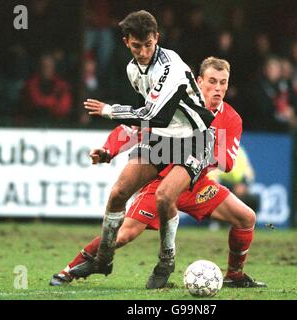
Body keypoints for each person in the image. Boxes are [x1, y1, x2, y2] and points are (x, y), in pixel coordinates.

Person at [50, 57, 266, 289]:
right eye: (212, 81)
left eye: (223, 83)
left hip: (196, 185)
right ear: (198, 81)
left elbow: (227, 164)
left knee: (246, 217)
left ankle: (234, 275)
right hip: (161, 182)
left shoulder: (231, 119)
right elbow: (131, 130)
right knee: (124, 234)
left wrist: (207, 141)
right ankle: (70, 269)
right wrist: (108, 150)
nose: (218, 88)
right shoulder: (175, 104)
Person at [81, 10, 215, 289]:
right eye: (136, 46)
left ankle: (166, 261)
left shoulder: (171, 67)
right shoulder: (133, 69)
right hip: (162, 138)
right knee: (118, 192)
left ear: (157, 38)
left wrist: (109, 111)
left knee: (165, 197)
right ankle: (103, 257)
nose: (143, 52)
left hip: (195, 138)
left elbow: (156, 115)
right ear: (126, 42)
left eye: (148, 45)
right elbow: (148, 119)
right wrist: (111, 149)